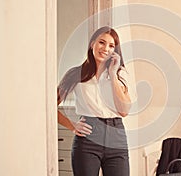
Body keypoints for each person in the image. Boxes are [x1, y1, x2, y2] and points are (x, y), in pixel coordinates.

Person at [57, 26, 134, 176]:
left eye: (111, 46)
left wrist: (112, 75)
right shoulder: (76, 74)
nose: (105, 48)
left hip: (116, 136)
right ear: (92, 43)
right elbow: (48, 106)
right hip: (88, 138)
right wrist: (71, 125)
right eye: (101, 42)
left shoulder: (120, 74)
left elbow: (124, 111)